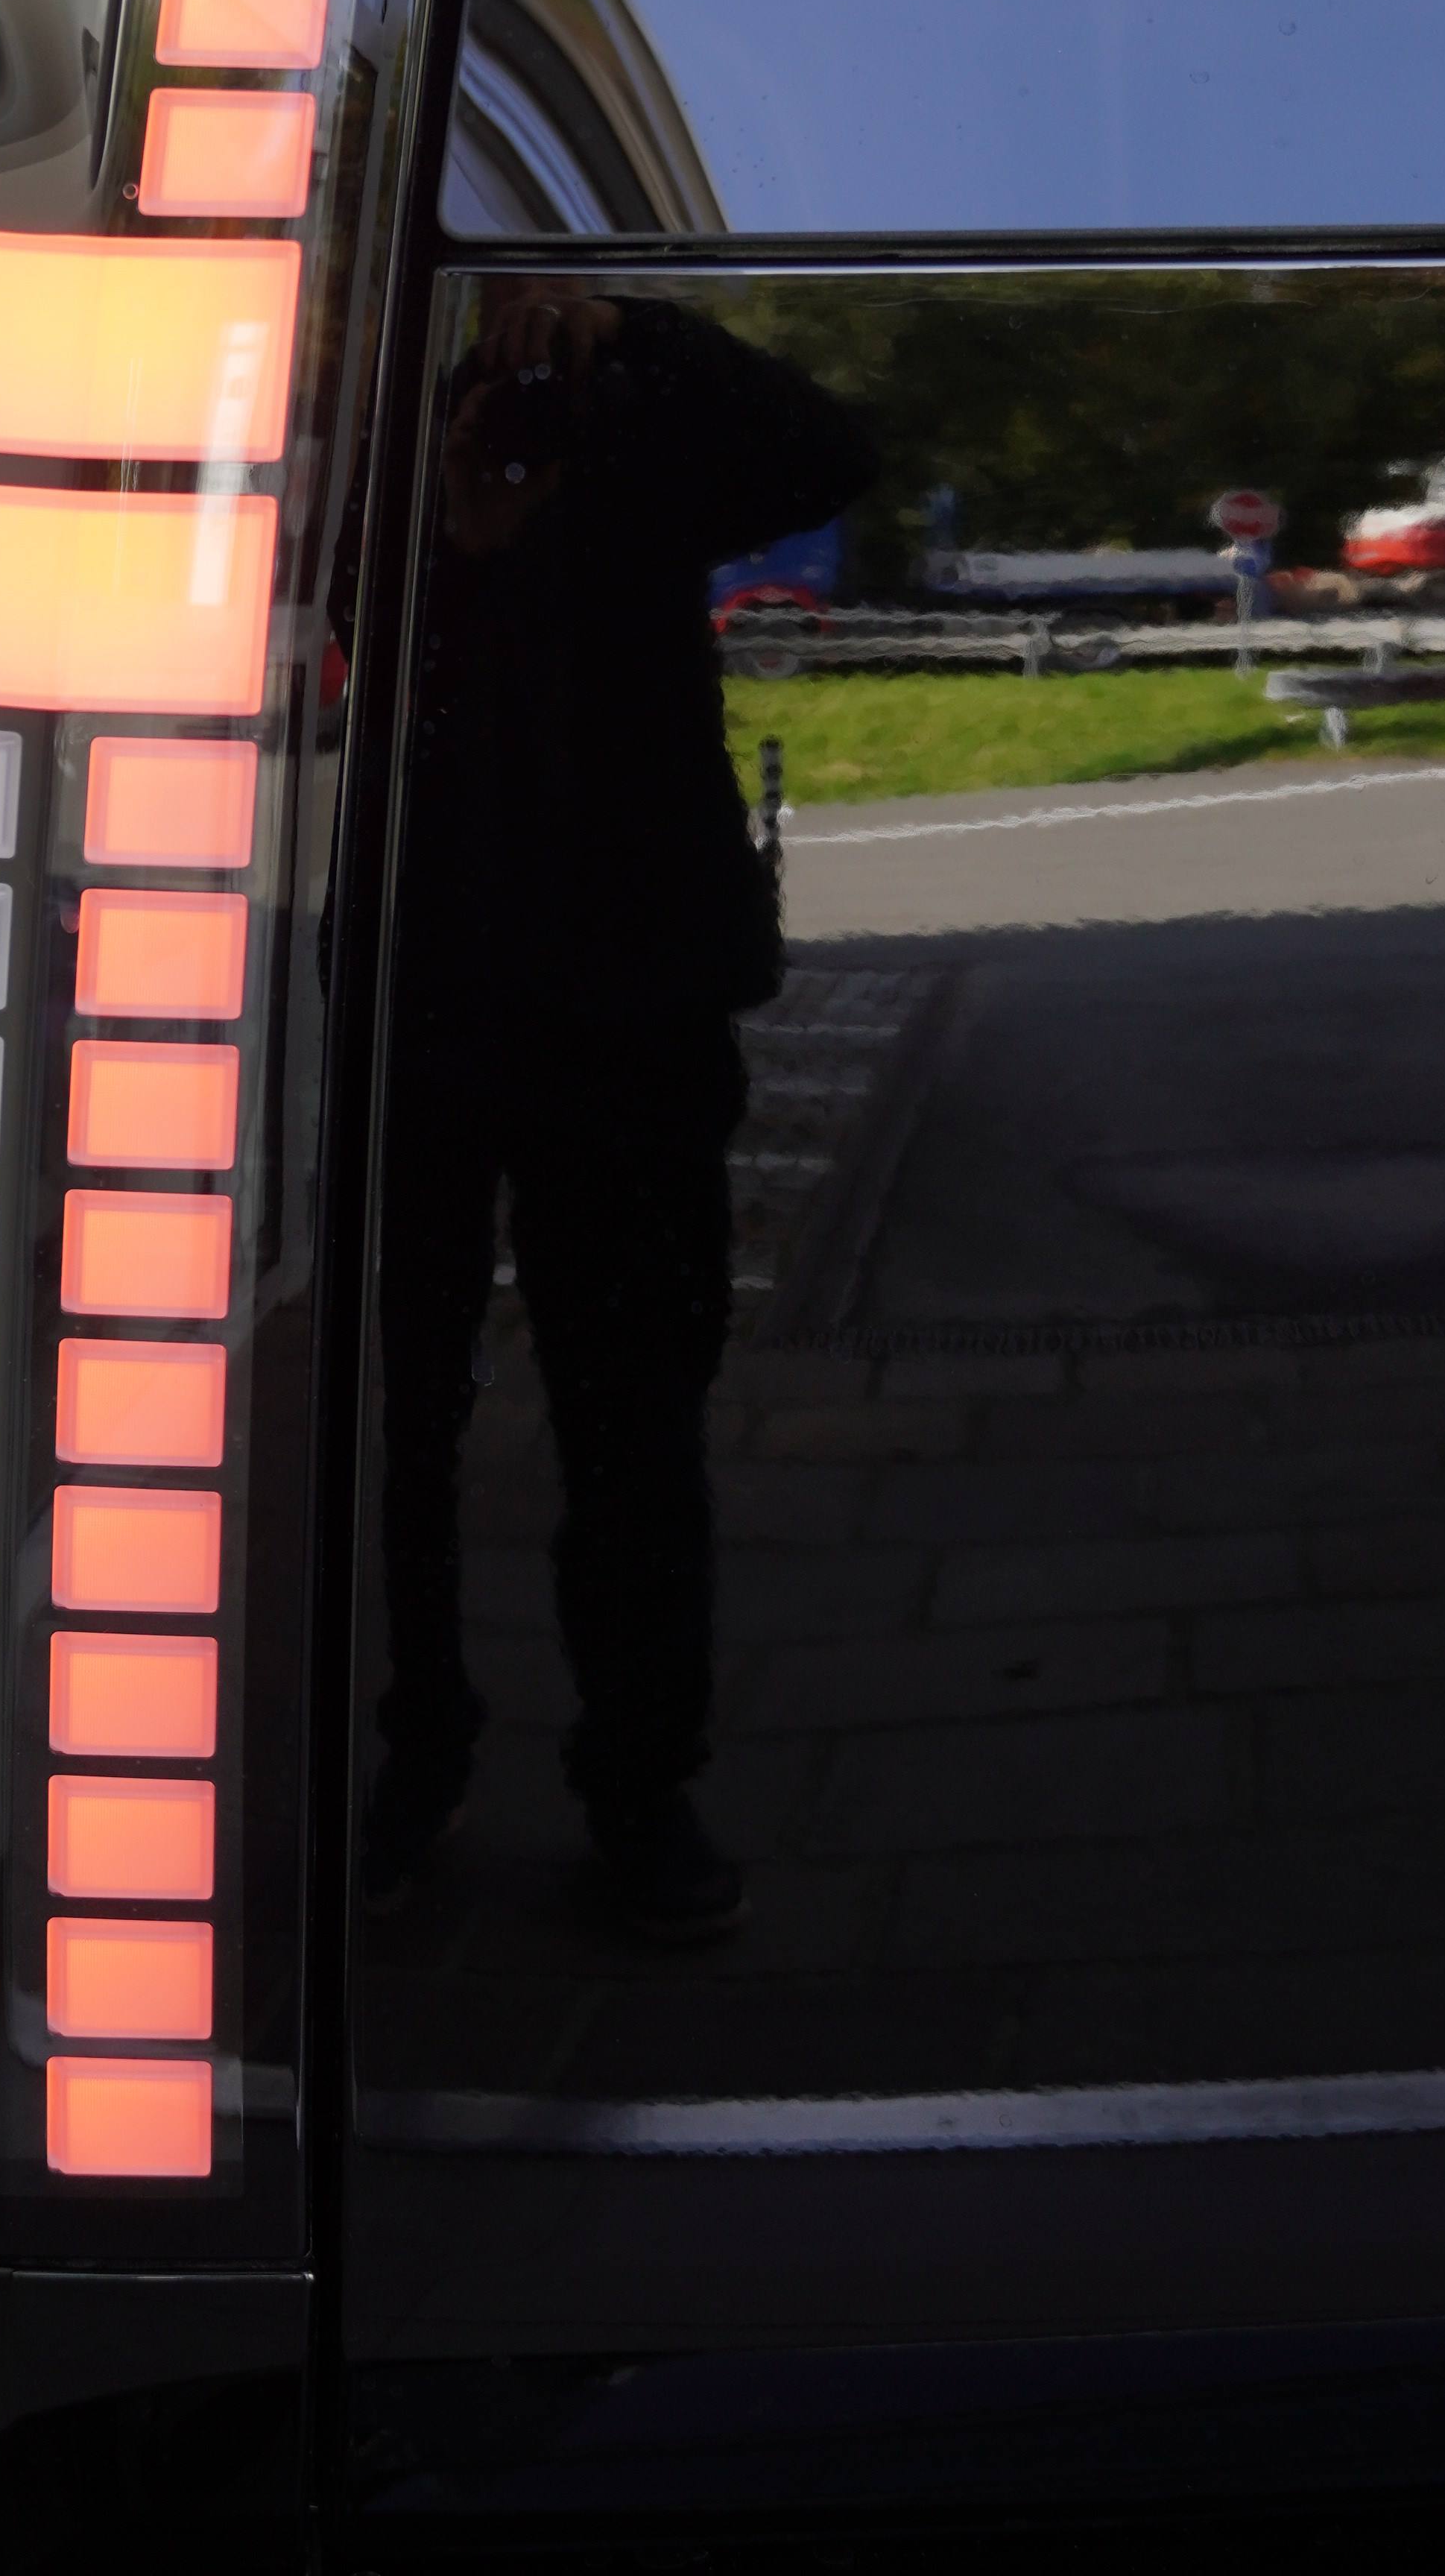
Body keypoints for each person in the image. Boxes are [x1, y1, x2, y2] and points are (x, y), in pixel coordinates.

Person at [363, 282, 876, 1937]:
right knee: (394, 1420)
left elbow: (828, 453)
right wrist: (449, 529)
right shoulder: (379, 509)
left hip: (628, 1022)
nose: (502, 418)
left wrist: (632, 333)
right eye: (481, 389)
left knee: (634, 1421)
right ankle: (411, 1751)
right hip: (411, 1011)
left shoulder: (638, 466)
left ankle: (642, 1785)